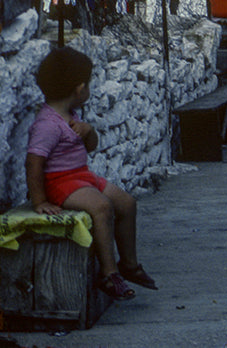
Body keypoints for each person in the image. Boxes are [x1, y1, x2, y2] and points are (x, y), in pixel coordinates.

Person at [26, 46, 158, 300]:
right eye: (88, 85)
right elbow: (33, 163)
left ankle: (129, 265)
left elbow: (92, 146)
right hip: (60, 183)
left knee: (126, 203)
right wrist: (39, 200)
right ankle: (109, 274)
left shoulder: (72, 116)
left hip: (81, 175)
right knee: (102, 208)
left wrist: (89, 132)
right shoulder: (47, 124)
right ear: (79, 89)